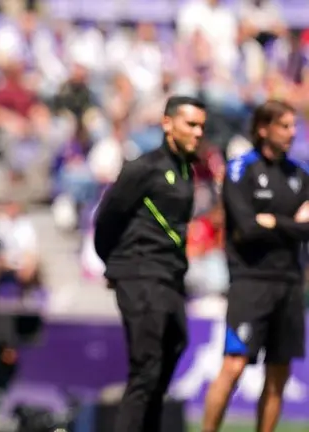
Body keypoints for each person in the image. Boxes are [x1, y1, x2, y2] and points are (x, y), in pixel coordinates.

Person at [93, 95, 207, 432]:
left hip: (169, 276)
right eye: (191, 124)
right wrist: (115, 265)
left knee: (175, 346)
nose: (198, 132)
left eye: (202, 125)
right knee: (145, 367)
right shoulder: (144, 168)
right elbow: (107, 218)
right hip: (141, 272)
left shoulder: (186, 170)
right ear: (168, 123)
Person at [201, 100, 307, 432]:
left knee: (278, 373)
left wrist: (273, 221)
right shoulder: (240, 170)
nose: (292, 133)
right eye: (284, 125)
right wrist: (291, 223)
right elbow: (244, 228)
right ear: (263, 129)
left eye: (293, 126)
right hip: (251, 281)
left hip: (289, 282)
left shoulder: (299, 174)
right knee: (233, 366)